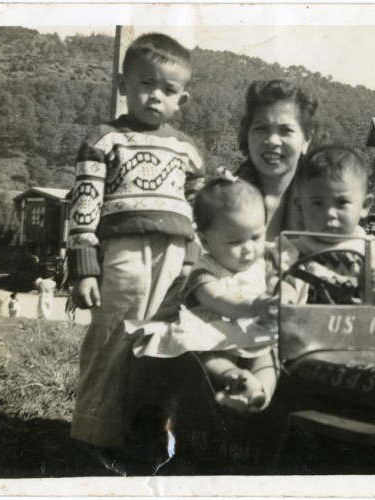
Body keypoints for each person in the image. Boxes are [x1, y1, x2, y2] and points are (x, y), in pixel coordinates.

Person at [66, 33, 203, 452]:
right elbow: (84, 205)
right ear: (123, 85)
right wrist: (84, 268)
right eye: (146, 84)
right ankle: (95, 434)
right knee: (113, 335)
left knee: (161, 338)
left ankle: (146, 433)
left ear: (182, 97)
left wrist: (193, 261)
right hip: (123, 251)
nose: (155, 97)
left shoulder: (188, 150)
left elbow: (198, 210)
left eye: (168, 89)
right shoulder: (104, 139)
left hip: (175, 253)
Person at [182, 177, 281, 412]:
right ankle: (234, 379)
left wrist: (277, 292)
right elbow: (217, 300)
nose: (249, 248)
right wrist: (253, 307)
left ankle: (259, 394)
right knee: (209, 359)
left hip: (254, 337)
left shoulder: (263, 264)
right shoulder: (205, 269)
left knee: (269, 361)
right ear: (205, 241)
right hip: (215, 338)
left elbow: (277, 282)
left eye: (256, 237)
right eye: (235, 241)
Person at [287, 146, 375, 307]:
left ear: (364, 206)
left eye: (342, 203)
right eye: (317, 203)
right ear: (300, 207)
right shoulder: (291, 251)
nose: (329, 213)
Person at [234, 79, 317, 240]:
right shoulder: (220, 197)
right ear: (247, 133)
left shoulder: (322, 199)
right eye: (261, 129)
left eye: (286, 130)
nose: (272, 140)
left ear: (307, 139)